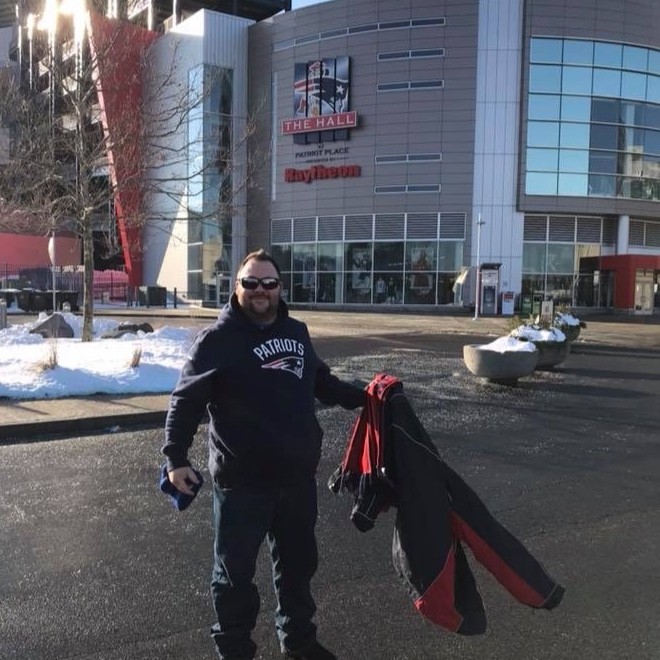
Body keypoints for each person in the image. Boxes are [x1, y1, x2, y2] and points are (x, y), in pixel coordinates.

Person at [162, 249, 365, 660]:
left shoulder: (296, 332)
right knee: (233, 577)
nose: (260, 290)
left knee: (297, 570)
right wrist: (175, 457)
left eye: (268, 283)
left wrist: (366, 397)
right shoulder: (216, 341)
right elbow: (185, 401)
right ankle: (235, 650)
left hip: (296, 481)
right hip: (242, 485)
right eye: (251, 282)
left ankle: (299, 643)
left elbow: (321, 382)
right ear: (236, 287)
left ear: (279, 288)